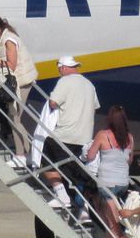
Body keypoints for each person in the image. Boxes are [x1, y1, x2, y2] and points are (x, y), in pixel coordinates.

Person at [85, 106, 140, 238]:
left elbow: (90, 155)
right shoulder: (129, 138)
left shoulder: (103, 135)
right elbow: (129, 160)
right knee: (113, 219)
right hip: (122, 182)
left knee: (113, 224)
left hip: (107, 183)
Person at [41, 57, 99, 211]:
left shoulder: (64, 82)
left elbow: (53, 102)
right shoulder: (89, 84)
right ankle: (84, 207)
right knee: (72, 169)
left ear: (63, 68)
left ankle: (62, 196)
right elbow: (95, 107)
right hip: (84, 137)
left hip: (65, 134)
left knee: (46, 159)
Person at [0, 14, 38, 165]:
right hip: (18, 82)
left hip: (21, 82)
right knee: (14, 118)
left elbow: (12, 64)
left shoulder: (8, 40)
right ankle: (26, 154)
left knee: (15, 118)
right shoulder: (5, 38)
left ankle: (25, 154)